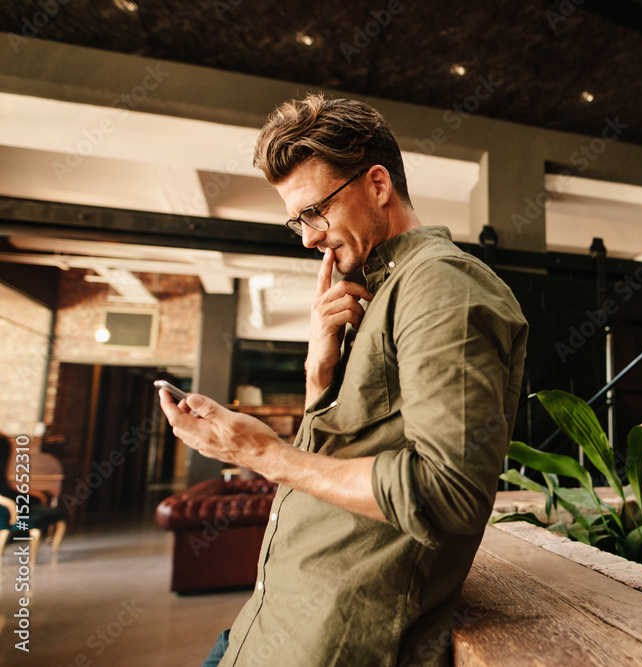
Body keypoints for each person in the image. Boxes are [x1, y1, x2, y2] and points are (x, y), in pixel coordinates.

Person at [159, 95, 528, 666]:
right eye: (297, 220)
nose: (307, 237)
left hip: (326, 647)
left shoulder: (440, 285)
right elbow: (343, 454)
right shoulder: (374, 292)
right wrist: (318, 376)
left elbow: (451, 495)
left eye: (316, 211)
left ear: (378, 184)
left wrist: (262, 452)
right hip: (263, 631)